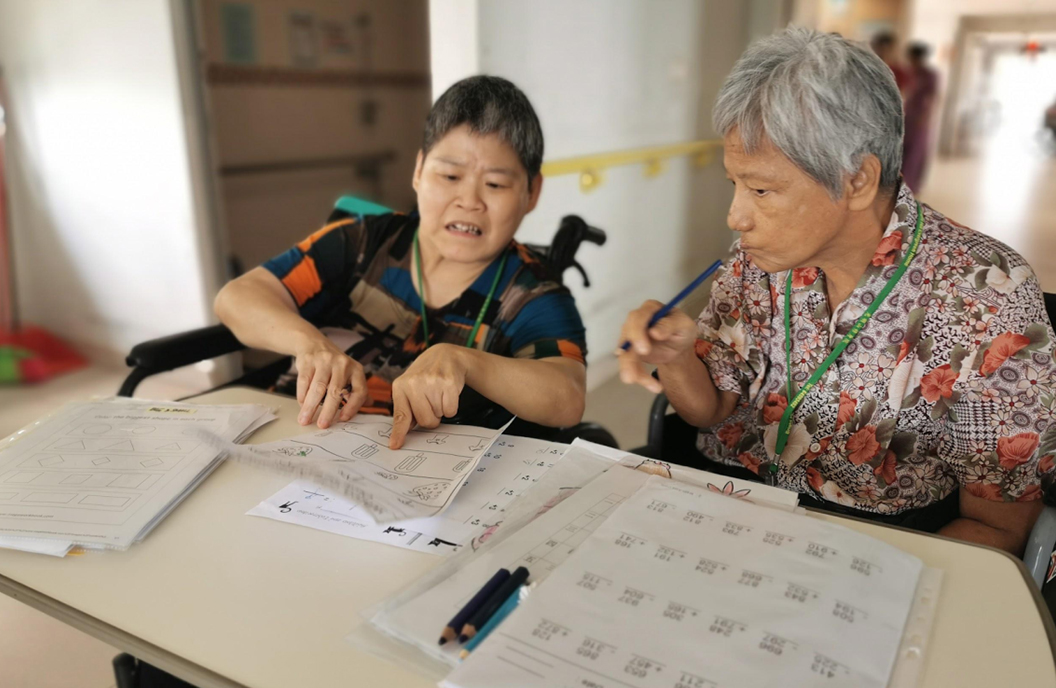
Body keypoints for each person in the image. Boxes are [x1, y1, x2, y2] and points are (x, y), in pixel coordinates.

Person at [619, 28, 1054, 556]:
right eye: (735, 184)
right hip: (731, 507)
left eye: (761, 190)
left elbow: (997, 529)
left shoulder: (985, 297)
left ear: (857, 181)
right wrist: (678, 357)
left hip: (882, 545)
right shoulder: (755, 261)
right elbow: (711, 412)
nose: (736, 216)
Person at [215, 76, 588, 449]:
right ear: (419, 170)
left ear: (532, 192)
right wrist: (310, 344)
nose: (469, 200)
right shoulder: (361, 242)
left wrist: (464, 362)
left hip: (416, 471)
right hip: (298, 435)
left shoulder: (534, 295)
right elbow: (238, 297)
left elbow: (567, 397)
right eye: (450, 176)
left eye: (495, 185)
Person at [902, 42, 939, 192]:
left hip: (920, 117)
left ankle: (912, 185)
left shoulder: (930, 74)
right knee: (903, 150)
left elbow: (934, 97)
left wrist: (926, 117)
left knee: (916, 152)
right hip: (907, 113)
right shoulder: (910, 72)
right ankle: (902, 182)